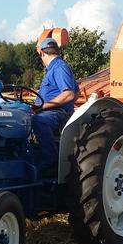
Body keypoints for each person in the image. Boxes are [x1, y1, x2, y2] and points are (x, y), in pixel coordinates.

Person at [31, 37, 79, 171]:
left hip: (56, 114)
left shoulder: (59, 68)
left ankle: (51, 161)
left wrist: (44, 106)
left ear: (42, 53)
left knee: (39, 120)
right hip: (53, 111)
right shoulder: (56, 68)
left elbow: (69, 94)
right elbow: (77, 93)